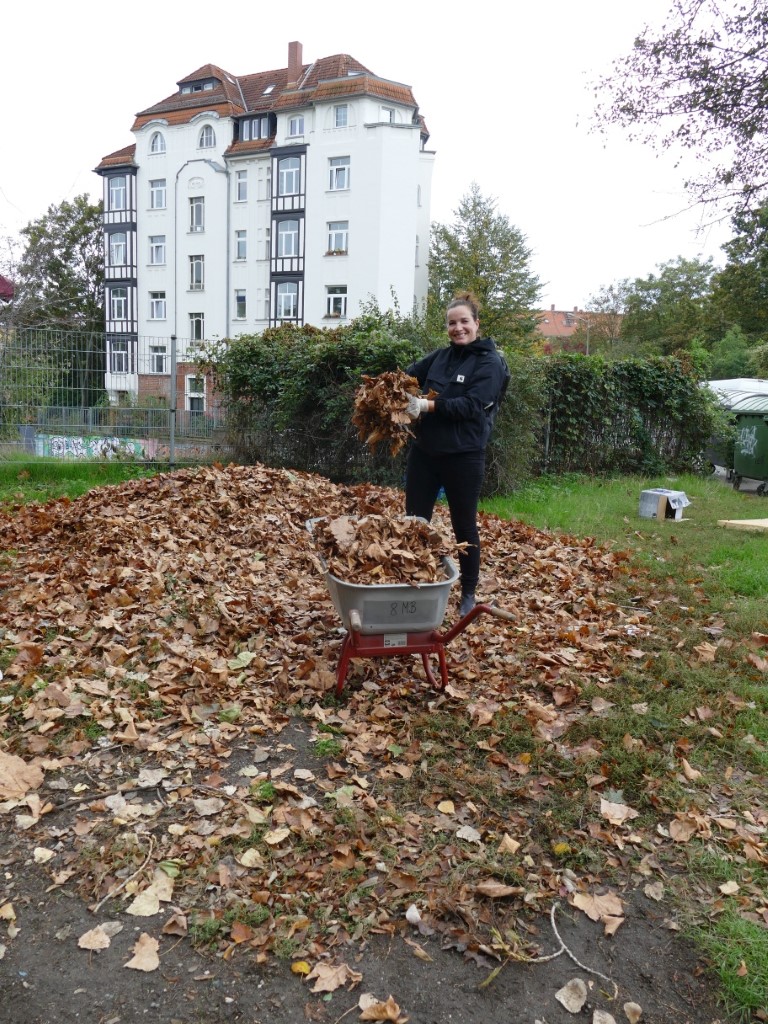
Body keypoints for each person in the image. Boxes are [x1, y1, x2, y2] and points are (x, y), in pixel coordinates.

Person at [404, 291, 510, 617]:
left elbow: (472, 406)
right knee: (415, 522)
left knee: (464, 525)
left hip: (463, 456)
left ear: (477, 324)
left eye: (464, 321)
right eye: (452, 323)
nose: (458, 328)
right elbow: (409, 375)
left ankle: (468, 591)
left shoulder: (490, 363)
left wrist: (425, 405)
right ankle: (412, 579)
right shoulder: (441, 357)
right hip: (425, 454)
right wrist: (392, 390)